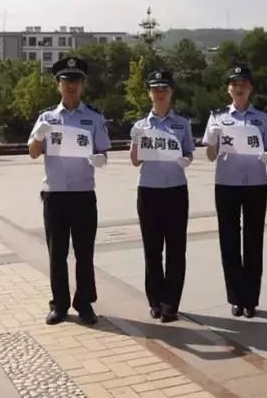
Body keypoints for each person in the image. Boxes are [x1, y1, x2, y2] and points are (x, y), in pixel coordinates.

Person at [28, 56, 111, 326]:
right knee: (57, 253)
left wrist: (101, 159)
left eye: (76, 81)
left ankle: (84, 303)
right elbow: (32, 153)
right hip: (55, 194)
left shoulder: (94, 117)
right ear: (58, 85)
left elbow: (102, 151)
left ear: (82, 85)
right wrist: (39, 136)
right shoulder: (47, 117)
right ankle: (59, 304)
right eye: (66, 81)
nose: (71, 86)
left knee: (85, 253)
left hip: (84, 194)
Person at [202, 65, 267, 318]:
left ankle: (251, 299)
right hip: (226, 183)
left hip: (256, 183)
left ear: (251, 87)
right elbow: (210, 156)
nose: (239, 87)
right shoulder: (217, 117)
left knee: (254, 241)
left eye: (243, 83)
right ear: (228, 89)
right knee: (229, 241)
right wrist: (212, 140)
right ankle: (235, 297)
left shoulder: (263, 118)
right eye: (234, 83)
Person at [129, 70, 195, 323]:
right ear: (149, 93)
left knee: (176, 249)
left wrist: (185, 160)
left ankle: (171, 303)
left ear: (171, 93)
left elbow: (189, 152)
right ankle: (155, 300)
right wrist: (135, 142)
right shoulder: (140, 126)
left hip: (176, 190)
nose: (159, 94)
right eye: (155, 89)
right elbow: (135, 161)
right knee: (152, 249)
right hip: (149, 191)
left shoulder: (182, 124)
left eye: (164, 89)